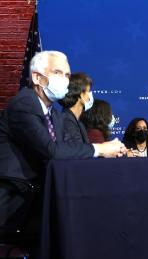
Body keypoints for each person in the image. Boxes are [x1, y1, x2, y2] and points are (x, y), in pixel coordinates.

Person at [0, 51, 126, 249]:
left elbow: (68, 150)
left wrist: (110, 150)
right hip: (15, 203)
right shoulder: (24, 104)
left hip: (42, 197)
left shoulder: (55, 116)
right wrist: (99, 149)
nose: (65, 80)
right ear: (37, 78)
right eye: (58, 73)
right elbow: (52, 151)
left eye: (67, 75)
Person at [58, 72, 93, 143]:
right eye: (88, 91)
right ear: (80, 94)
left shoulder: (76, 121)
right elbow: (77, 151)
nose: (90, 95)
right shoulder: (67, 122)